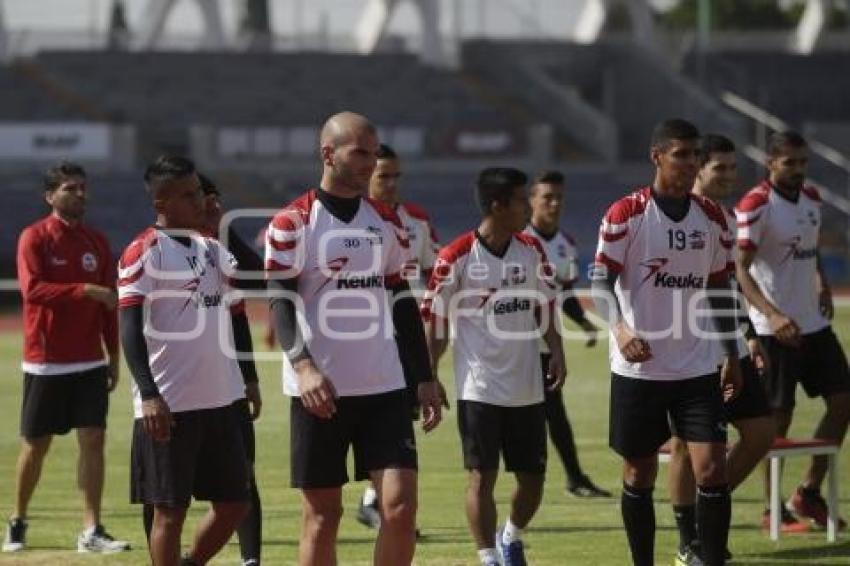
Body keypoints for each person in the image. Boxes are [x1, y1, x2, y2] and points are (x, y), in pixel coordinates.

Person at [264, 111, 443, 566]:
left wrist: (422, 376)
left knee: (400, 508)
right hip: (318, 393)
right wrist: (303, 368)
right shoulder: (292, 223)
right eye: (360, 152)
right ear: (329, 154)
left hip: (383, 387)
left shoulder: (386, 221)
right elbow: (280, 301)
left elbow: (401, 301)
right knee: (323, 515)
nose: (371, 161)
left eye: (374, 151)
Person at [591, 119, 741, 566]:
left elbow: (720, 289)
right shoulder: (627, 213)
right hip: (640, 368)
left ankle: (710, 559)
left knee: (711, 470)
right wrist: (620, 329)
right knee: (639, 472)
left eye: (696, 155)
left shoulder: (712, 217)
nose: (691, 163)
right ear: (657, 156)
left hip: (697, 366)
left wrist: (731, 353)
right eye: (682, 154)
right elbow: (600, 281)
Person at [422, 167, 567, 566]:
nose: (529, 207)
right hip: (479, 387)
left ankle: (511, 535)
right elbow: (434, 324)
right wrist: (428, 377)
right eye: (523, 200)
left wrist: (556, 348)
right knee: (481, 477)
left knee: (533, 481)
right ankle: (487, 557)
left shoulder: (530, 250)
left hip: (528, 388)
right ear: (498, 206)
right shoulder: (456, 257)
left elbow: (544, 304)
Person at [119, 156, 250, 566]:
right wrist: (149, 394)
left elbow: (260, 275)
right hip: (170, 404)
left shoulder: (212, 248)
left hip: (221, 399)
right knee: (169, 512)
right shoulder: (143, 252)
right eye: (191, 194)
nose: (201, 201)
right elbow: (129, 329)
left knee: (234, 503)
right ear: (162, 202)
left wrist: (222, 225)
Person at [4, 161, 129, 554]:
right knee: (35, 445)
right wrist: (84, 291)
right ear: (50, 195)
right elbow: (33, 291)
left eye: (82, 188)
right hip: (46, 360)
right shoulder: (34, 238)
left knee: (93, 439)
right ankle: (18, 519)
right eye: (70, 188)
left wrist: (113, 356)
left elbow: (109, 304)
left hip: (89, 361)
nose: (79, 194)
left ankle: (91, 530)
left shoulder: (96, 241)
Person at [667, 134, 776, 565]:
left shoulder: (726, 219)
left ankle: (707, 520)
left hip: (729, 344)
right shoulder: (674, 215)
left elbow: (727, 286)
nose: (730, 176)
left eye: (733, 168)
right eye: (721, 168)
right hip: (686, 348)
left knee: (761, 432)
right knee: (682, 445)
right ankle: (687, 541)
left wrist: (748, 335)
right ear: (698, 168)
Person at [735, 130, 850, 531]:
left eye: (803, 162)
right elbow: (739, 268)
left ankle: (808, 492)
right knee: (776, 421)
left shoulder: (812, 199)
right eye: (790, 163)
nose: (799, 170)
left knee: (843, 401)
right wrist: (772, 313)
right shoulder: (756, 205)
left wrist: (819, 280)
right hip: (774, 330)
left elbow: (810, 245)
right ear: (771, 163)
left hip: (813, 325)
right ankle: (772, 507)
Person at [357, 142, 443, 530]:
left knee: (400, 418)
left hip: (406, 336)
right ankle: (376, 499)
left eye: (395, 176)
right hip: (366, 340)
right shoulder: (354, 221)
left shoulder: (418, 221)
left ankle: (376, 500)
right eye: (383, 176)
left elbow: (434, 276)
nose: (391, 184)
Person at [524, 169, 610, 498]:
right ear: (532, 200)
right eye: (547, 197)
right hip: (511, 346)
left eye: (559, 197)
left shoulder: (566, 245)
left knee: (553, 412)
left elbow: (565, 295)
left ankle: (573, 477)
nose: (554, 203)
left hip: (545, 344)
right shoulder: (517, 241)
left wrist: (585, 323)